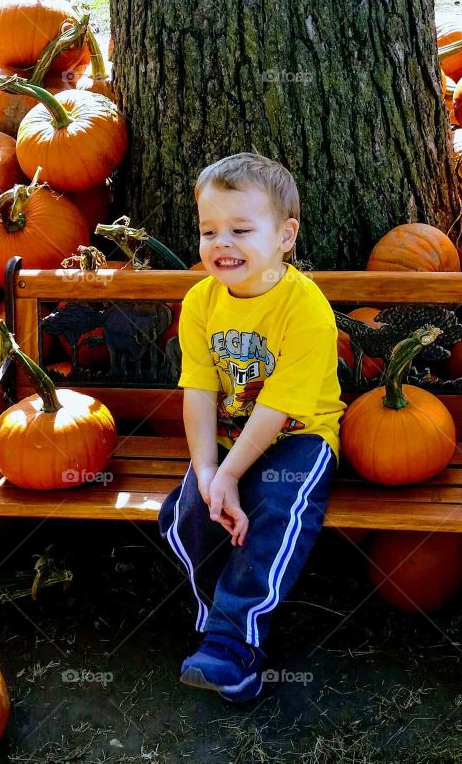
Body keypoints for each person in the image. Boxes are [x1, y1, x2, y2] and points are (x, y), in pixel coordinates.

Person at [158, 152, 344, 702]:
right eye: (209, 230)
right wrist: (211, 472)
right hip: (227, 437)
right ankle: (212, 618)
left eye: (241, 229)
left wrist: (233, 473)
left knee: (278, 510)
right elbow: (198, 392)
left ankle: (235, 644)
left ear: (286, 236)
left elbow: (278, 408)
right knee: (185, 511)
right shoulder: (200, 302)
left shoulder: (304, 309)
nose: (222, 243)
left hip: (299, 436)